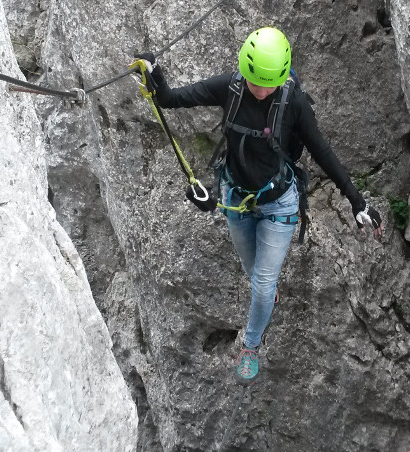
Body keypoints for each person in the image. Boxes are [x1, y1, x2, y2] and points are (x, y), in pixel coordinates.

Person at [143, 27, 383, 383]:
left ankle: (251, 344)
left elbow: (322, 151)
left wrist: (356, 201)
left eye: (268, 84)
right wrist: (154, 70)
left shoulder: (293, 103)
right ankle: (265, 306)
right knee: (255, 278)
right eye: (256, 82)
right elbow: (170, 99)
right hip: (237, 199)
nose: (261, 90)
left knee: (261, 286)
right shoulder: (232, 87)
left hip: (278, 205)